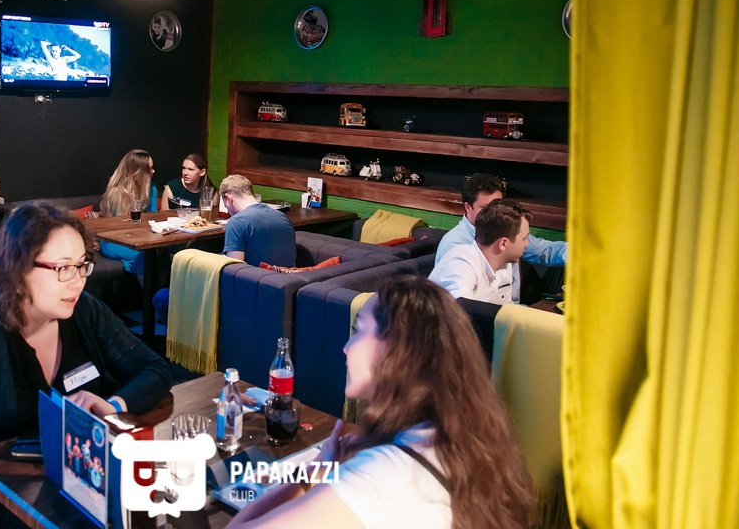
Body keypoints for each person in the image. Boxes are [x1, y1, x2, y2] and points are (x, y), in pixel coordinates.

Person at [229, 275, 532, 529]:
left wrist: (314, 473)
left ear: (398, 349)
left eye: (359, 330)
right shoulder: (454, 441)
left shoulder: (386, 476)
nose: (346, 348)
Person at [0, 202, 171, 454]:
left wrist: (114, 406)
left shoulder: (85, 311)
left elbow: (155, 369)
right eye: (63, 268)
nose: (78, 282)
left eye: (81, 265)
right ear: (18, 270)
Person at [434, 173, 567, 295]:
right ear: (468, 207)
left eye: (499, 206)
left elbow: (545, 251)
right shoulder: (456, 247)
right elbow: (459, 304)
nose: (496, 213)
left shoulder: (507, 230)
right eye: (486, 208)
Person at [428, 199, 530, 304]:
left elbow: (505, 309)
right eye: (524, 238)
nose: (527, 243)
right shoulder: (461, 262)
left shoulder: (505, 263)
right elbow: (461, 307)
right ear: (503, 243)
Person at [99, 149, 158, 275]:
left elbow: (154, 218)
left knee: (156, 254)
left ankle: (135, 271)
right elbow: (117, 228)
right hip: (115, 242)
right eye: (150, 168)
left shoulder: (151, 188)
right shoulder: (116, 193)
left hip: (142, 239)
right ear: (139, 171)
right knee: (144, 256)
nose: (153, 171)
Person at [220, 174, 295, 267]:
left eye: (225, 205)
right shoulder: (283, 218)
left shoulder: (237, 222)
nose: (227, 209)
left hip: (255, 276)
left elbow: (234, 268)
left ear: (228, 198)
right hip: (287, 276)